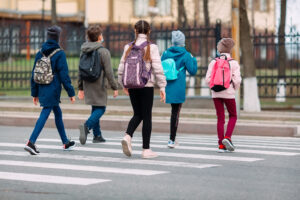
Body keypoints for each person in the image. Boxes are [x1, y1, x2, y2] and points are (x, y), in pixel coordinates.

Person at [118, 20, 166, 159]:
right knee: (147, 116)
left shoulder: (128, 47)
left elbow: (121, 68)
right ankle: (146, 150)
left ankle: (128, 136)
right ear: (149, 31)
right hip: (146, 85)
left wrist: (123, 84)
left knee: (137, 113)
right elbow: (158, 68)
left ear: (135, 31)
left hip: (132, 84)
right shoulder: (152, 47)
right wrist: (162, 86)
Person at [24, 25, 76, 155]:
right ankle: (31, 142)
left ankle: (65, 142)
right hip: (53, 89)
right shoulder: (59, 53)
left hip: (42, 87)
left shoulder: (40, 52)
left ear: (48, 37)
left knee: (57, 112)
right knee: (45, 113)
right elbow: (64, 75)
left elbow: (34, 74)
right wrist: (71, 92)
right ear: (58, 38)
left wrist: (34, 93)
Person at [78, 25, 119, 145]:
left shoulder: (84, 50)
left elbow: (80, 70)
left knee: (95, 107)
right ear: (99, 36)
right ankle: (86, 126)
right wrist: (115, 87)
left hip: (87, 83)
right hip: (99, 83)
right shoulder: (103, 52)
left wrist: (80, 87)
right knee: (101, 108)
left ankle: (97, 135)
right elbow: (109, 72)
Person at [161, 30, 198, 148]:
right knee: (175, 113)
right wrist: (194, 60)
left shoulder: (166, 53)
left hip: (168, 85)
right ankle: (171, 140)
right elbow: (193, 71)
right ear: (183, 42)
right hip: (179, 87)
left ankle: (172, 138)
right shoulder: (186, 54)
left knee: (174, 112)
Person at [205, 38, 242, 153]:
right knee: (233, 115)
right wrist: (233, 89)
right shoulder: (234, 63)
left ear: (219, 49)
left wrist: (213, 88)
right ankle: (228, 137)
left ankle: (221, 145)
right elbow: (237, 80)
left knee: (220, 118)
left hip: (216, 93)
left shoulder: (213, 62)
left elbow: (208, 79)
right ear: (230, 49)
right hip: (229, 93)